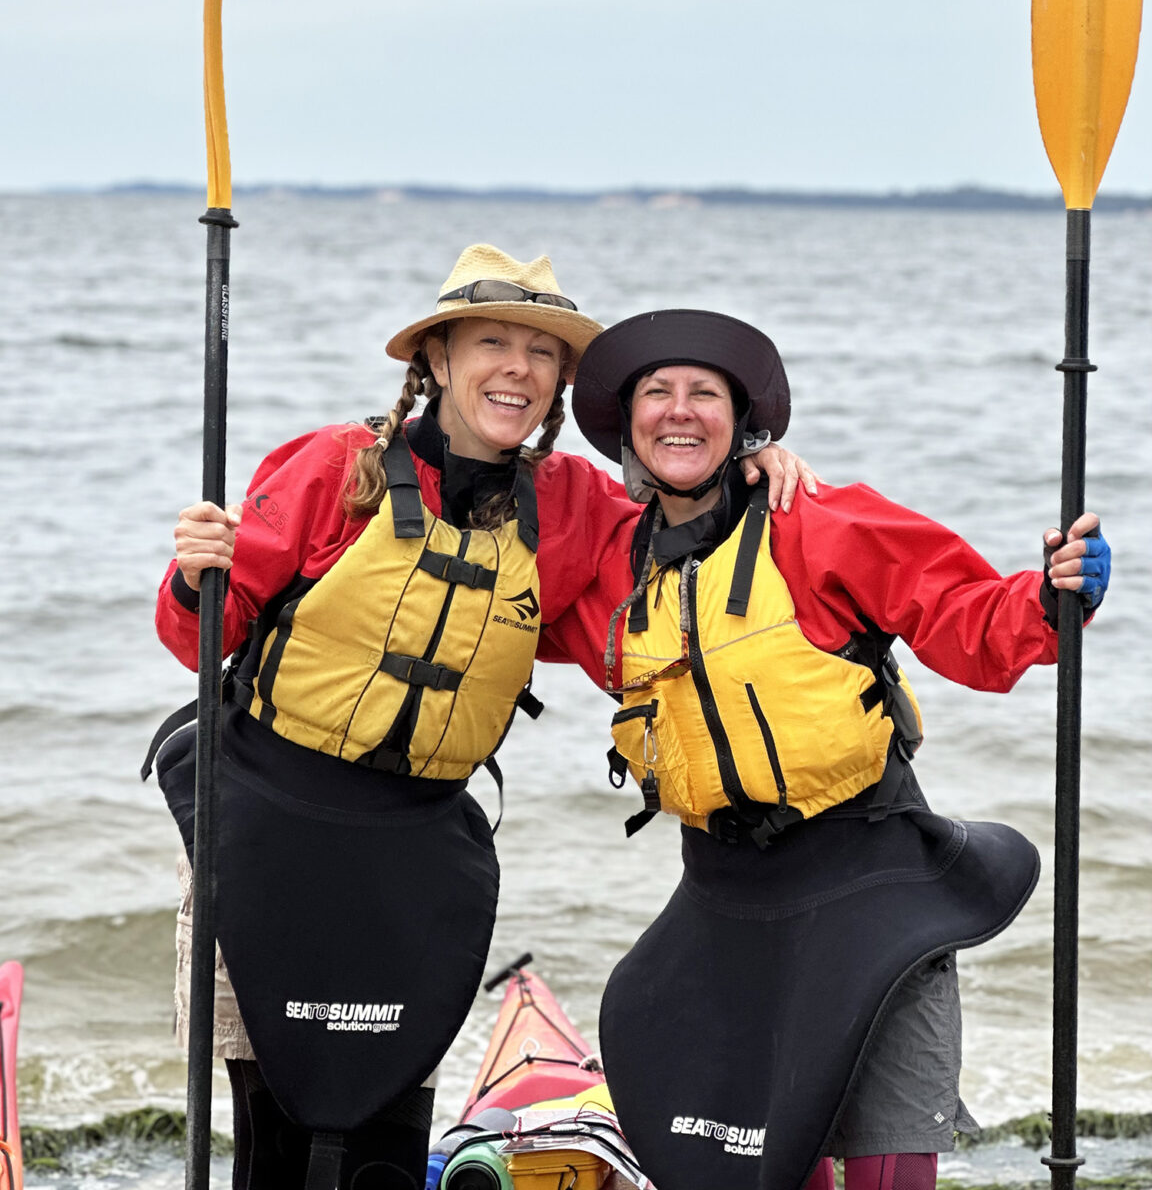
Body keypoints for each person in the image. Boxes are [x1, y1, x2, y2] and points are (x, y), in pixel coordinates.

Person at [149, 247, 812, 1190]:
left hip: (412, 850)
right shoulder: (337, 467)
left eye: (543, 352)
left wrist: (748, 469)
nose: (518, 368)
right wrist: (193, 571)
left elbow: (681, 561)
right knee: (272, 1121)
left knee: (387, 1116)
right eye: (492, 342)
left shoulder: (574, 507)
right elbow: (198, 637)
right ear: (439, 361)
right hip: (268, 830)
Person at [563, 307, 1111, 1190]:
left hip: (870, 881)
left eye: (705, 393)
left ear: (744, 423)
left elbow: (966, 619)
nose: (679, 411)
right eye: (656, 393)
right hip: (729, 898)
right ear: (626, 426)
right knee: (754, 1160)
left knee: (889, 1163)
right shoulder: (609, 572)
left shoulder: (816, 521)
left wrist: (1050, 600)